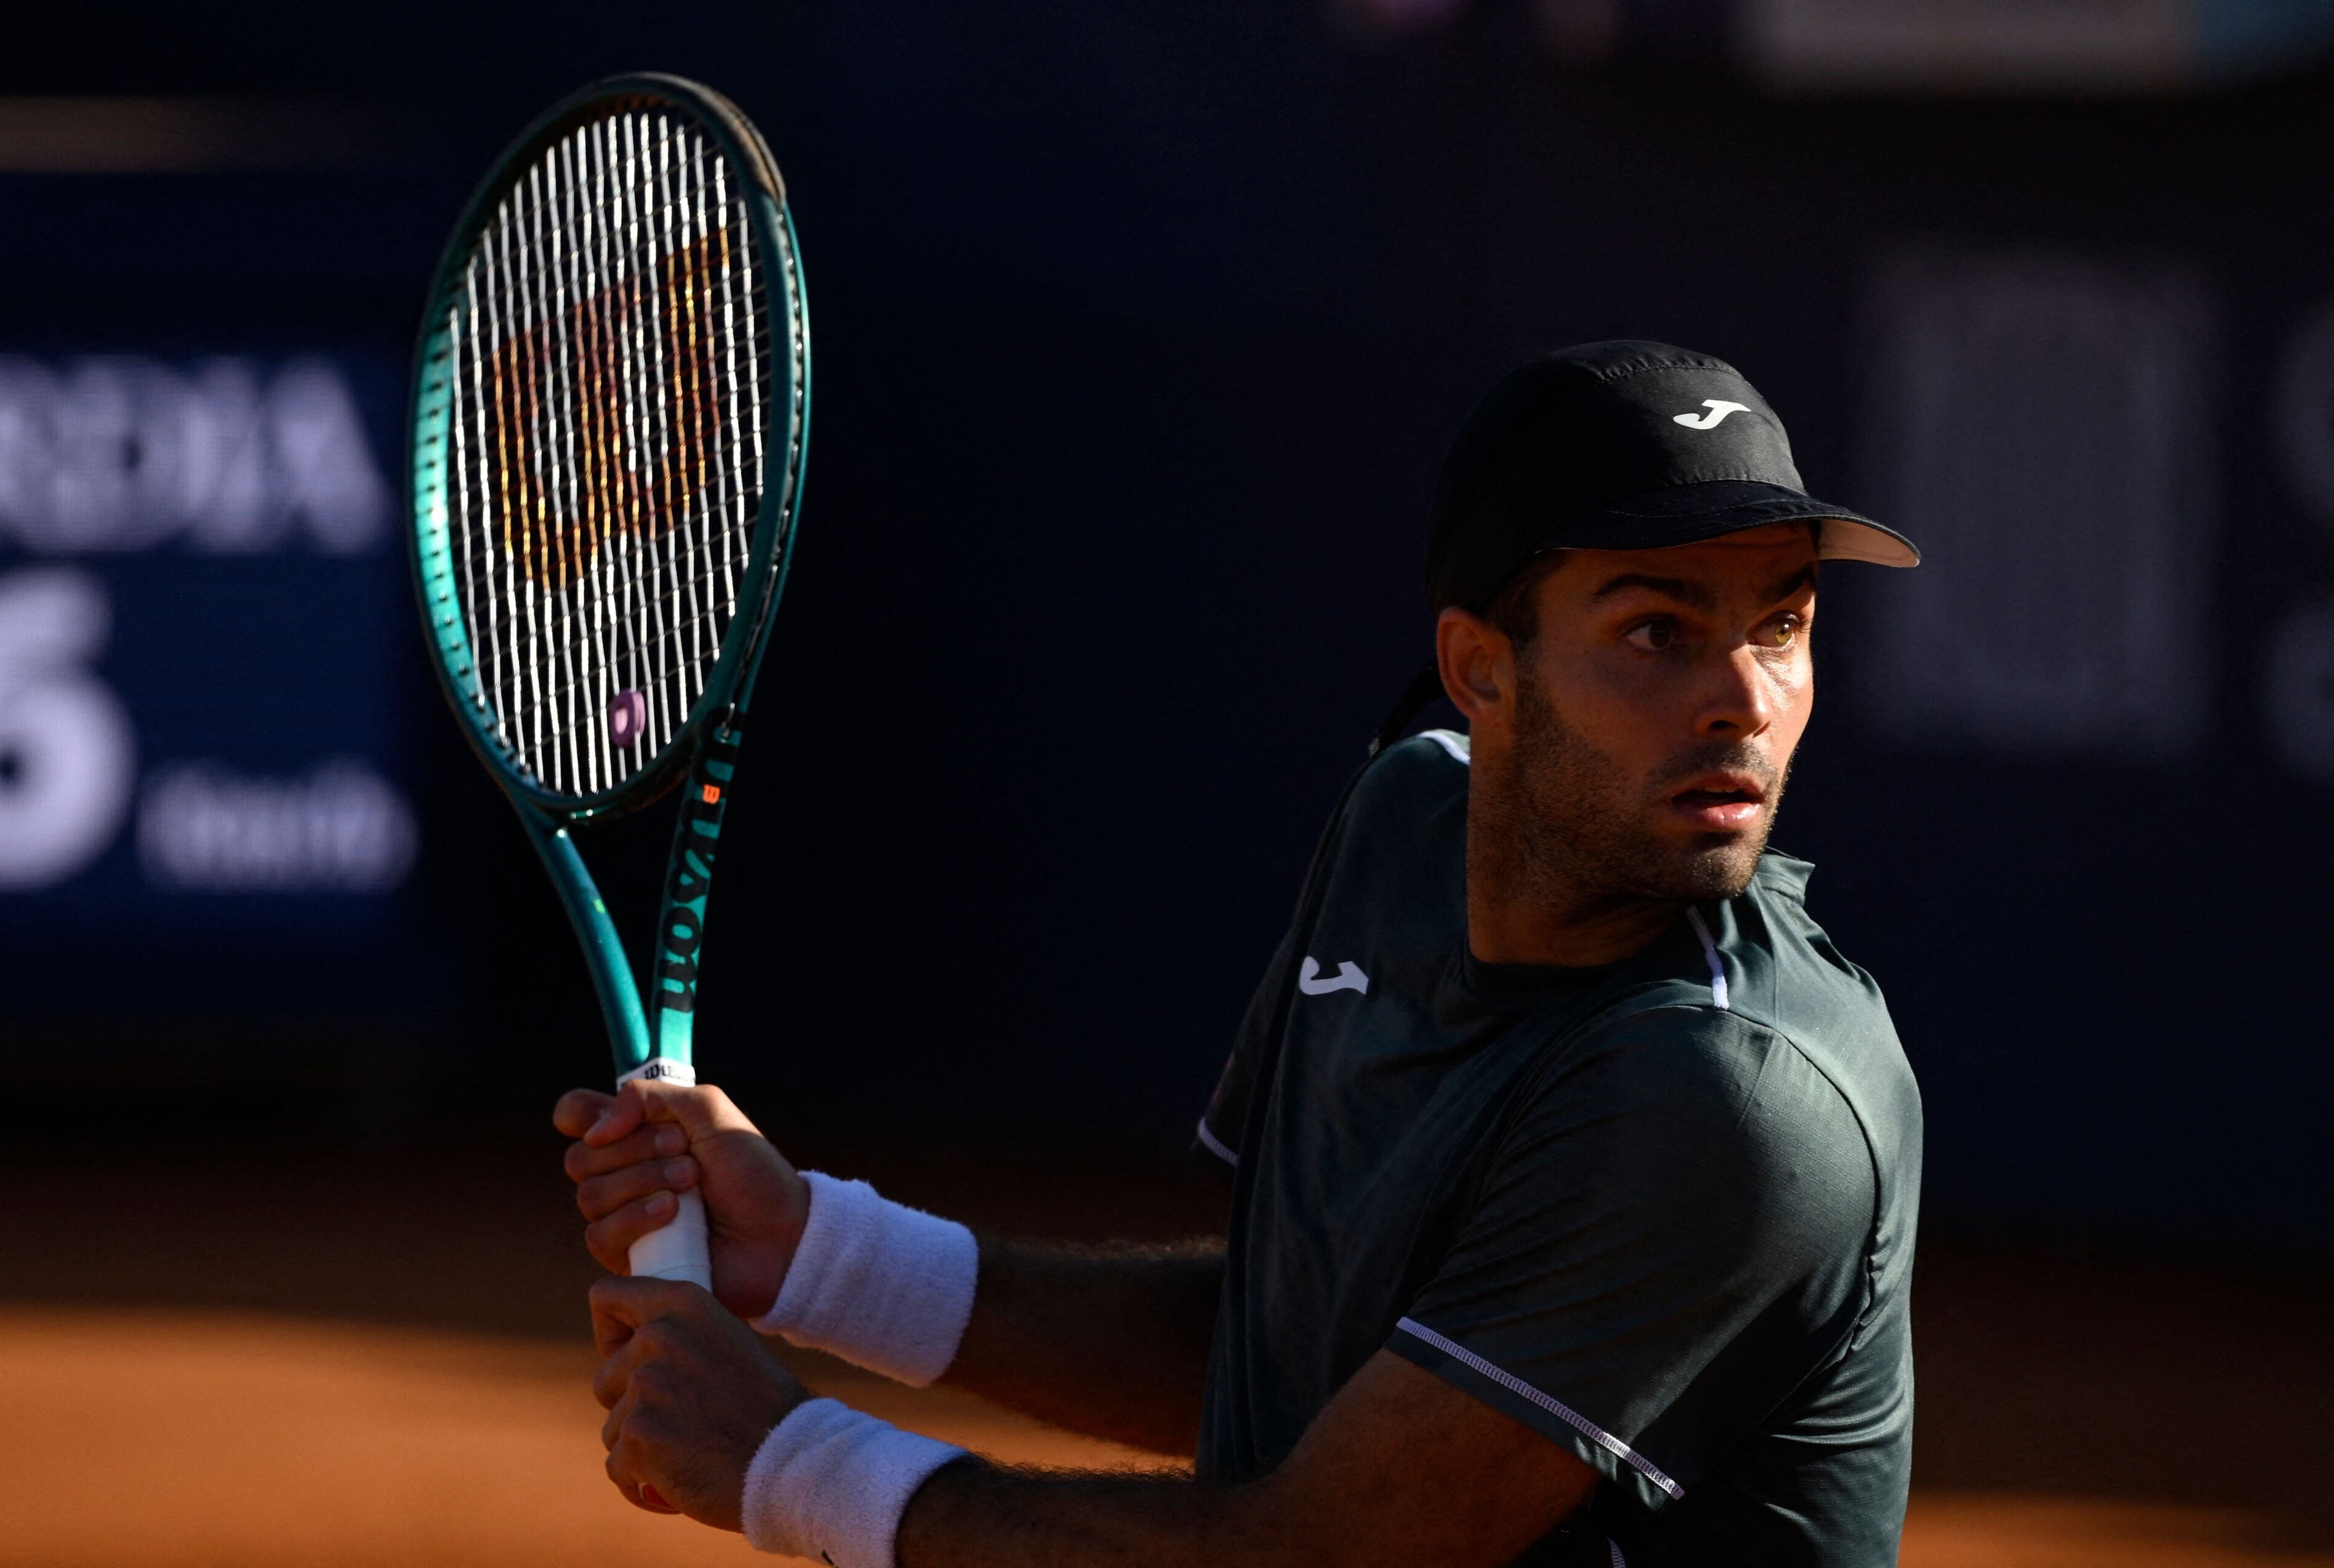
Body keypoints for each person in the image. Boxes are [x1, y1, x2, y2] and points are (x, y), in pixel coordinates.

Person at [555, 340, 1925, 1567]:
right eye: (1657, 631)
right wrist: (820, 1251)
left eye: (1782, 623)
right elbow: (1287, 1344)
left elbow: (1320, 1551)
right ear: (1480, 669)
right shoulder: (1402, 831)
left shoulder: (1731, 1095)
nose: (1744, 695)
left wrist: (791, 1460)